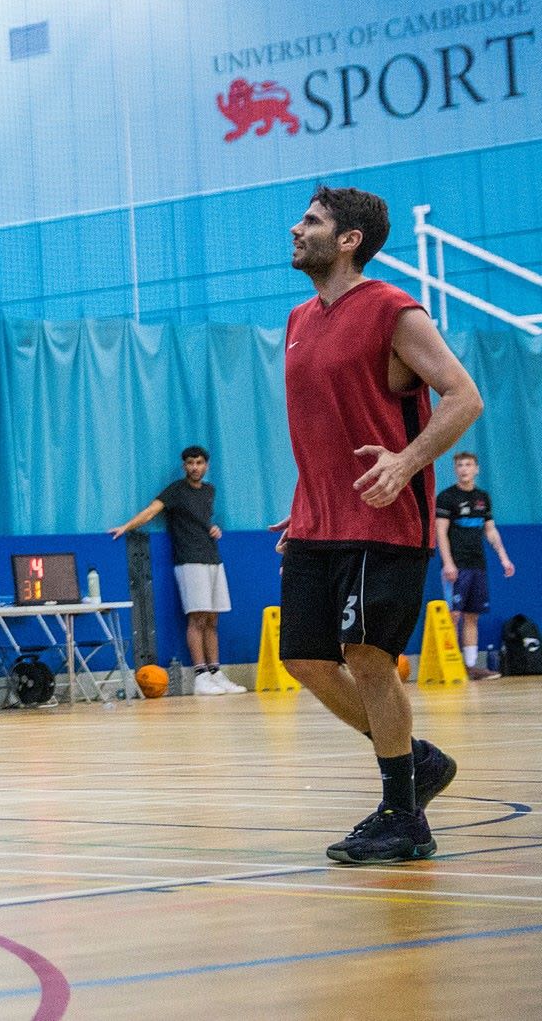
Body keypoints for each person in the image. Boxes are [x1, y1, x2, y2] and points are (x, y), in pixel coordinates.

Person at [277, 185, 481, 865]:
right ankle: (413, 759)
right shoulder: (298, 318)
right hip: (317, 518)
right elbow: (324, 425)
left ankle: (404, 816)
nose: (296, 229)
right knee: (305, 658)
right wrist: (309, 498)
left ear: (349, 240)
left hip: (386, 517)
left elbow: (464, 395)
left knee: (366, 655)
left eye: (312, 221)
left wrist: (408, 460)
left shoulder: (394, 310)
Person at [110, 446, 242, 695]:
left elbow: (201, 520)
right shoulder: (176, 490)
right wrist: (126, 527)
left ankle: (215, 672)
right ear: (184, 466)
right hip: (189, 561)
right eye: (190, 463)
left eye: (199, 463)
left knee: (213, 619)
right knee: (197, 618)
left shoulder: (209, 491)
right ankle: (201, 677)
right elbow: (151, 511)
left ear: (206, 466)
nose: (195, 467)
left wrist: (214, 528)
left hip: (213, 558)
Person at [435, 451, 514, 679]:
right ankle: (451, 666)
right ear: (455, 470)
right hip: (456, 566)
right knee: (454, 615)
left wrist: (504, 557)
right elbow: (440, 532)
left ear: (476, 469)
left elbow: (490, 530)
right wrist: (448, 563)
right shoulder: (447, 497)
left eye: (468, 465)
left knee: (472, 616)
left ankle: (470, 667)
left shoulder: (482, 497)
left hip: (477, 564)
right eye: (460, 465)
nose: (464, 469)